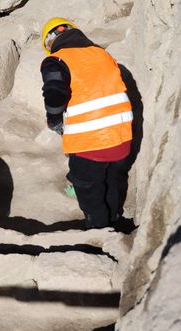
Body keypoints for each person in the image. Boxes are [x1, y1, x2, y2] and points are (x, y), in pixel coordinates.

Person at [40, 17, 133, 229]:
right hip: (121, 138)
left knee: (89, 189)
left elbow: (54, 93)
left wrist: (54, 121)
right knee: (110, 179)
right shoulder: (102, 53)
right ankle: (114, 219)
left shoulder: (56, 60)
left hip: (91, 144)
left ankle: (99, 232)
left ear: (49, 44)